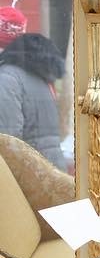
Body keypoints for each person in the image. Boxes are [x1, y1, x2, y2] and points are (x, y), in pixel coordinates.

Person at [0, 32, 68, 170]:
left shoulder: (7, 77)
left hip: (28, 172)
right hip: (53, 168)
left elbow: (8, 139)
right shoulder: (42, 78)